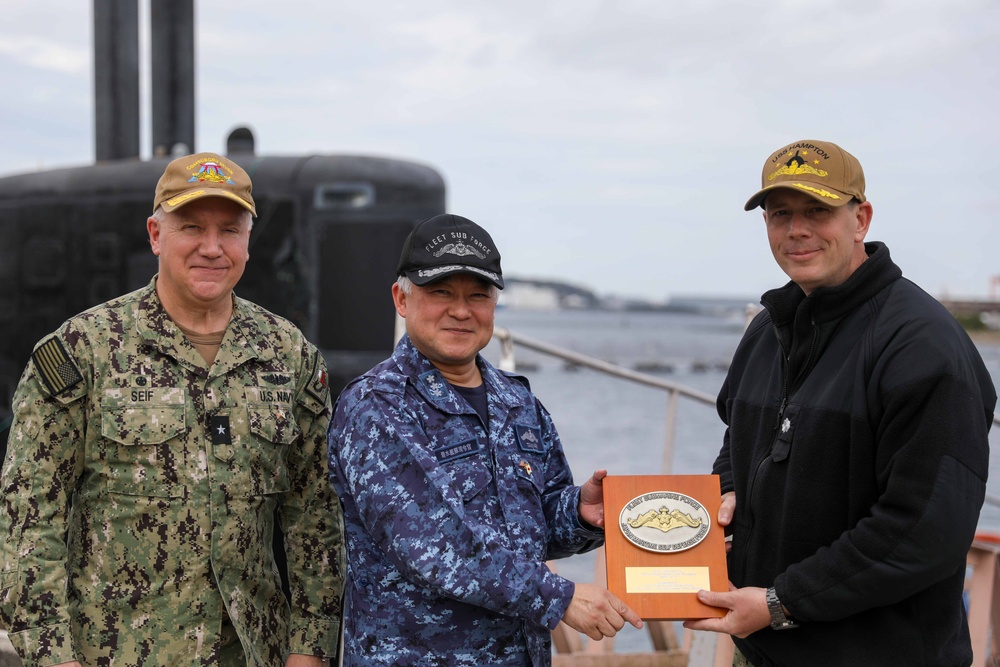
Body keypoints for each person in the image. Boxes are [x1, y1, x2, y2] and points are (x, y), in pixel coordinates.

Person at [0, 153, 345, 667]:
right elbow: (30, 515)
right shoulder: (83, 351)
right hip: (116, 653)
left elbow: (315, 515)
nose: (212, 247)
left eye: (230, 229)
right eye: (191, 227)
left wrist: (310, 649)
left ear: (249, 240)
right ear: (156, 234)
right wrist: (53, 657)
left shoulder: (289, 356)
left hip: (253, 654)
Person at [683, 139, 996, 666]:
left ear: (861, 218)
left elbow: (924, 530)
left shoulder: (923, 345)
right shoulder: (766, 329)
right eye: (780, 214)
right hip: (763, 650)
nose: (796, 230)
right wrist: (731, 485)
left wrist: (783, 603)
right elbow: (735, 435)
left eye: (818, 211)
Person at [327, 213, 642, 666]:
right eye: (441, 293)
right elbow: (435, 545)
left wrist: (580, 514)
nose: (461, 310)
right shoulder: (375, 406)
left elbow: (530, 529)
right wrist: (560, 597)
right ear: (401, 298)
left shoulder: (517, 402)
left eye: (478, 295)